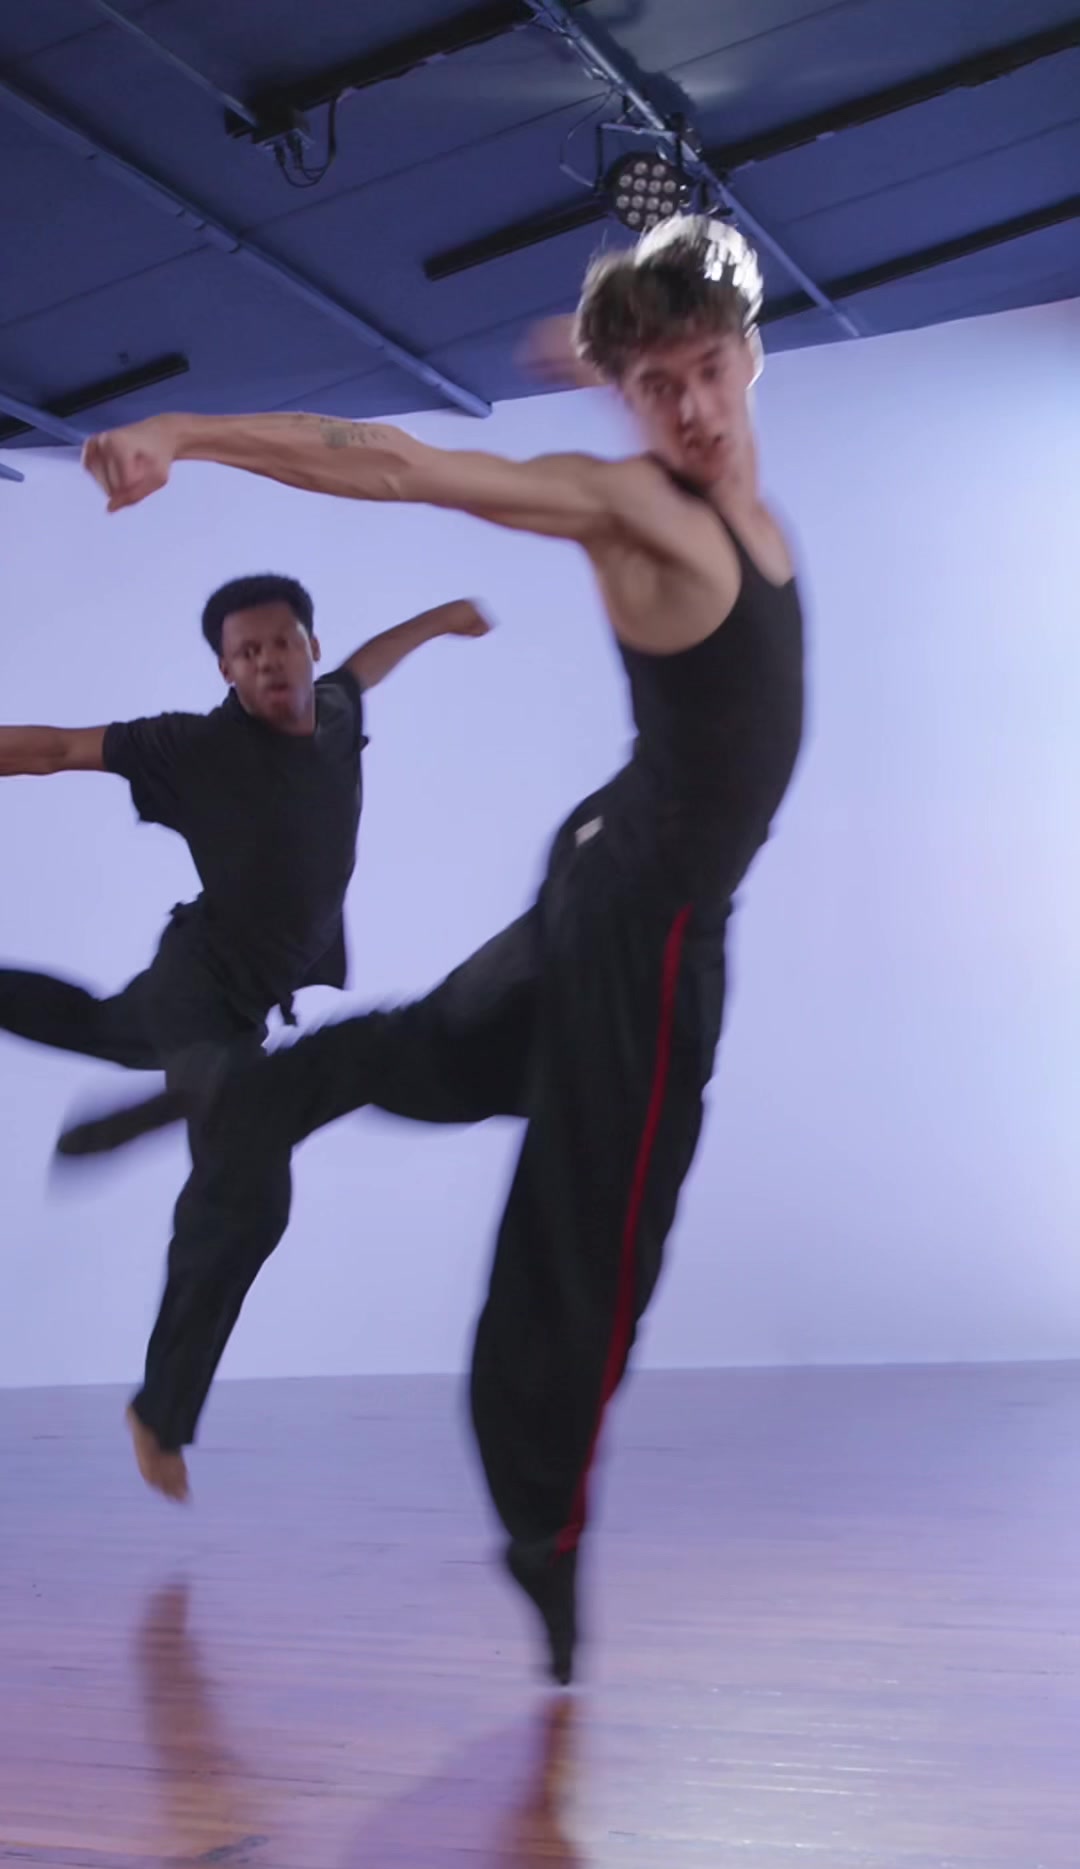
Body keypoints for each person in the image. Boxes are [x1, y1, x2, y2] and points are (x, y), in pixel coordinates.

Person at [72, 216, 805, 1680]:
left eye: (707, 373)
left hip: (605, 868)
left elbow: (665, 367)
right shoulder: (637, 508)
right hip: (642, 922)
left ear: (748, 359)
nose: (693, 411)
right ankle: (546, 1532)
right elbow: (396, 464)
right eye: (656, 389)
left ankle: (251, 1092)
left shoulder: (721, 476)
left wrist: (600, 355)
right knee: (600, 1233)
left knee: (452, 1057)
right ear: (628, 408)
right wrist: (188, 435)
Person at [0, 576, 491, 1499]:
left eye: (282, 643)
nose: (269, 663)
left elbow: (369, 664)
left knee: (109, 1028)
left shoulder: (335, 711)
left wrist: (441, 619)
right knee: (249, 1195)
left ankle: (189, 1095)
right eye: (246, 654)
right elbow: (58, 747)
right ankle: (161, 1413)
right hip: (198, 990)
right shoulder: (194, 747)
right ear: (226, 672)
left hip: (239, 1004)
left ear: (308, 646)